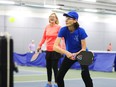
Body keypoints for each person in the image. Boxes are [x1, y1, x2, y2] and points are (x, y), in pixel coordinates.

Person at [53, 11, 93, 87]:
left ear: (75, 20)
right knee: (59, 77)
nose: (66, 20)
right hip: (69, 54)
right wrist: (67, 53)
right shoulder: (63, 30)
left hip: (82, 53)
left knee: (85, 75)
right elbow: (55, 47)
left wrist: (76, 54)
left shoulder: (81, 31)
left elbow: (84, 48)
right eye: (66, 18)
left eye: (69, 18)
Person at [37, 13, 62, 87]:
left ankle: (57, 83)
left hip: (56, 50)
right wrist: (39, 45)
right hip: (48, 50)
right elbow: (44, 37)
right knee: (48, 67)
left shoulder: (59, 27)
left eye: (53, 17)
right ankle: (49, 83)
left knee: (55, 67)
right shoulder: (47, 27)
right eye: (50, 17)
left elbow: (62, 38)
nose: (52, 18)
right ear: (49, 19)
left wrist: (62, 49)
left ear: (56, 19)